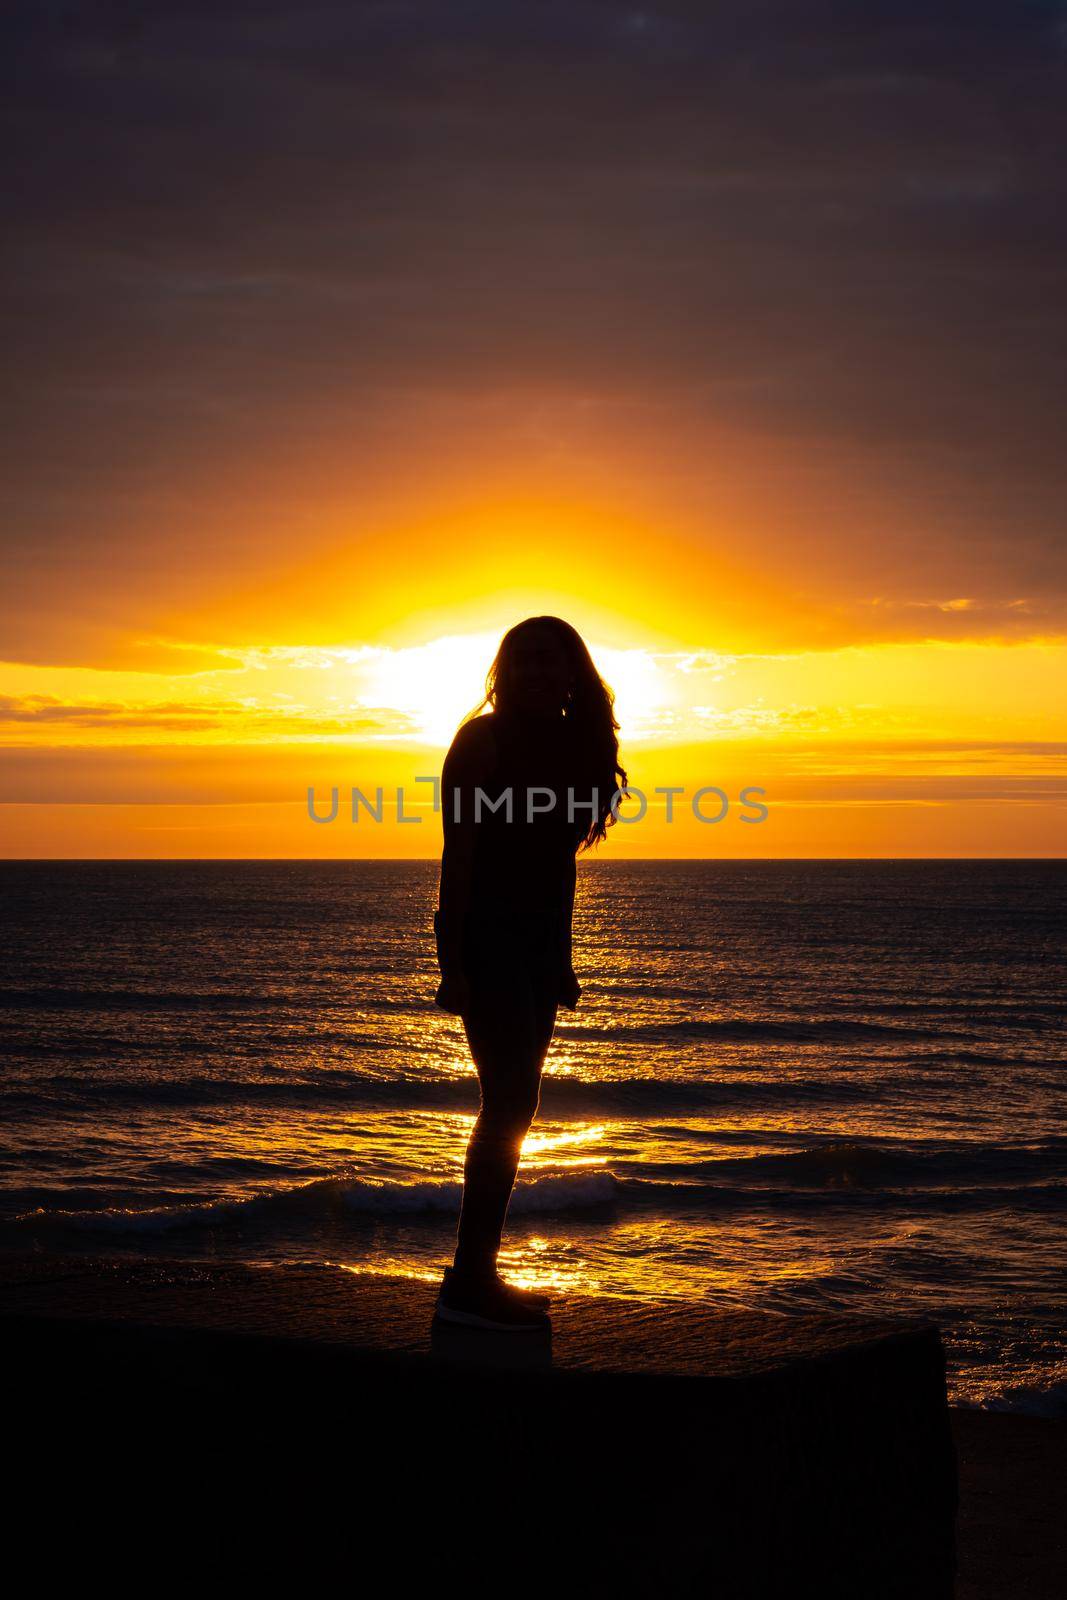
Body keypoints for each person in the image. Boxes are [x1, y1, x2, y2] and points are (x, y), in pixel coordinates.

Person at [432, 616, 628, 1330]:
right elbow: (458, 859)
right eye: (525, 661)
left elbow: (558, 869)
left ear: (573, 670)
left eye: (552, 661)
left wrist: (564, 959)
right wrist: (450, 960)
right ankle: (469, 1279)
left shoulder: (578, 746)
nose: (538, 673)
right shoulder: (481, 741)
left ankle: (475, 1273)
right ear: (504, 671)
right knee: (507, 1102)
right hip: (485, 939)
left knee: (520, 1105)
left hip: (537, 948)